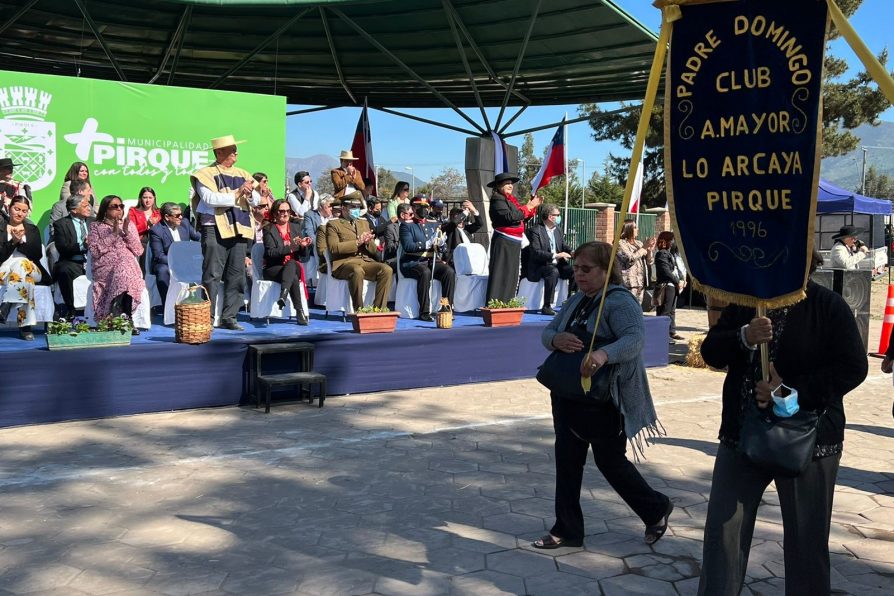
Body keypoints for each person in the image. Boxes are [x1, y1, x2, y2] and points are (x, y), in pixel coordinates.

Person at [698, 250, 867, 596]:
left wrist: (789, 390)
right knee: (723, 534)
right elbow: (711, 352)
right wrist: (743, 336)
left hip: (809, 440)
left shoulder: (828, 306)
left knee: (807, 541)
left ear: (808, 265)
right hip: (741, 436)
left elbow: (853, 367)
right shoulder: (747, 303)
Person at [535, 240, 672, 549]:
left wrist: (602, 355)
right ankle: (567, 528)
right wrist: (557, 339)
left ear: (606, 270)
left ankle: (655, 508)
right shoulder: (575, 300)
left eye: (587, 269)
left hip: (604, 398)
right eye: (576, 269)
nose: (579, 275)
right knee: (567, 461)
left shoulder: (620, 302)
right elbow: (546, 333)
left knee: (610, 462)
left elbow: (635, 340)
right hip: (568, 393)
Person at [190, 134, 262, 331]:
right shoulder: (204, 174)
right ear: (218, 152)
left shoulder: (244, 173)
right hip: (213, 228)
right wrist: (238, 193)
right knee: (212, 275)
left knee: (236, 275)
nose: (236, 152)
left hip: (239, 228)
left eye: (236, 149)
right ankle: (206, 317)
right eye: (232, 149)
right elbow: (211, 199)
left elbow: (256, 201)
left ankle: (230, 317)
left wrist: (250, 194)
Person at [88, 195, 145, 334]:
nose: (119, 209)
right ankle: (125, 318)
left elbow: (138, 250)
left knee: (125, 266)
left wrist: (126, 233)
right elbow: (95, 251)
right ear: (105, 209)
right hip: (105, 266)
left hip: (127, 265)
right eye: (115, 206)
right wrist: (113, 235)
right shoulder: (96, 226)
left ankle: (118, 314)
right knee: (124, 268)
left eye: (121, 206)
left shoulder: (129, 225)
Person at [326, 196, 392, 310]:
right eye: (353, 207)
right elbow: (333, 248)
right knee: (357, 270)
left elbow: (373, 250)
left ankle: (378, 309)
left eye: (358, 207)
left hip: (364, 261)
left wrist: (367, 242)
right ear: (343, 208)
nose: (356, 209)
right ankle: (359, 309)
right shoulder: (333, 225)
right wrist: (357, 242)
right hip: (344, 263)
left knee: (386, 269)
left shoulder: (363, 223)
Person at [486, 172, 541, 304]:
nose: (510, 186)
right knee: (501, 273)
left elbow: (520, 217)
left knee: (511, 274)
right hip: (504, 242)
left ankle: (508, 302)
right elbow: (509, 217)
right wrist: (528, 207)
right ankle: (496, 303)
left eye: (511, 183)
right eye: (507, 183)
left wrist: (531, 208)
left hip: (514, 242)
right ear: (499, 186)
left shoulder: (510, 200)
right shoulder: (497, 200)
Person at [0, 196, 50, 340]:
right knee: (25, 281)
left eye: (24, 211)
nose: (20, 213)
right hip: (4, 271)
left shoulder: (32, 229)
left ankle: (7, 304)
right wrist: (12, 243)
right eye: (17, 209)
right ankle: (25, 327)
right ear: (9, 208)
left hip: (32, 268)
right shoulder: (1, 228)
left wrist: (20, 242)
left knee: (21, 262)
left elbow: (36, 254)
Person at [398, 201, 455, 321]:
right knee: (425, 272)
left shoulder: (433, 224)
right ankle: (424, 311)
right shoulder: (406, 225)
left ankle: (446, 308)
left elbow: (441, 248)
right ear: (414, 208)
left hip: (430, 260)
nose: (424, 209)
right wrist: (426, 244)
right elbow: (408, 246)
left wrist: (441, 244)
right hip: (412, 262)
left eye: (426, 207)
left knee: (448, 272)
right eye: (420, 207)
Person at [263, 199, 311, 325]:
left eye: (288, 211)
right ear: (275, 213)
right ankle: (299, 311)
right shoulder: (268, 229)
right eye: (281, 211)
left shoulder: (295, 228)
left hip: (292, 265)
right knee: (293, 277)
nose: (285, 214)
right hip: (274, 267)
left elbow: (303, 256)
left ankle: (283, 295)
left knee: (291, 264)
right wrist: (290, 247)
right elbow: (270, 253)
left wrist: (303, 246)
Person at [148, 202, 200, 309]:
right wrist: (176, 263)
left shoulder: (184, 223)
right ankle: (168, 306)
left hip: (186, 261)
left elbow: (198, 237)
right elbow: (159, 255)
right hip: (166, 262)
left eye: (181, 214)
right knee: (162, 270)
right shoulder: (156, 231)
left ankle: (198, 304)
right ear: (167, 217)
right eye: (177, 215)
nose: (181, 217)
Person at [525, 204, 574, 316]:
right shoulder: (535, 231)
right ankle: (547, 306)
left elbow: (563, 246)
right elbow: (535, 252)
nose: (559, 217)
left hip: (557, 264)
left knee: (574, 270)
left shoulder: (558, 230)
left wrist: (572, 252)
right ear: (550, 216)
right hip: (540, 265)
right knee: (552, 272)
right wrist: (555, 255)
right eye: (557, 215)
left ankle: (570, 301)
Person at [52, 195, 94, 320]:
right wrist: (83, 245)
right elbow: (63, 249)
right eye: (85, 206)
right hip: (73, 261)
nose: (89, 208)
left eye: (89, 205)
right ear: (74, 210)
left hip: (93, 261)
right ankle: (71, 309)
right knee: (63, 269)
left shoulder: (94, 222)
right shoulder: (60, 224)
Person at [616, 219, 655, 305]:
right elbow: (629, 259)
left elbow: (650, 261)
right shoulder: (619, 243)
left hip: (640, 283)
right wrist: (644, 248)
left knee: (637, 310)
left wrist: (650, 250)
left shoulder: (639, 243)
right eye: (635, 227)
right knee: (627, 309)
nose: (638, 229)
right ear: (628, 229)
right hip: (628, 283)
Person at [655, 231, 684, 342]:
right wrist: (677, 281)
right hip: (667, 285)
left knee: (672, 310)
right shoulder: (662, 254)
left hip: (673, 285)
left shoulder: (669, 253)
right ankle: (662, 335)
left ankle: (672, 331)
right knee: (665, 311)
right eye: (672, 240)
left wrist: (681, 280)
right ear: (666, 241)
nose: (673, 242)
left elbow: (676, 268)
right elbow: (666, 271)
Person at [127, 187, 162, 273]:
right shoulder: (133, 211)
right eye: (145, 197)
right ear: (140, 198)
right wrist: (147, 224)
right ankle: (144, 274)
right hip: (141, 239)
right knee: (145, 246)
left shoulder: (159, 212)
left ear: (154, 198)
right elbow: (132, 230)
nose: (148, 200)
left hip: (156, 238)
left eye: (150, 198)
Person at [441, 200, 482, 267]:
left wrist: (474, 210)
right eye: (458, 216)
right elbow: (454, 223)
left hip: (469, 260)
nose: (461, 220)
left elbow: (479, 224)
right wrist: (465, 212)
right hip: (454, 261)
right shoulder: (448, 227)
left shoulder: (466, 228)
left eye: (463, 217)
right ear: (452, 217)